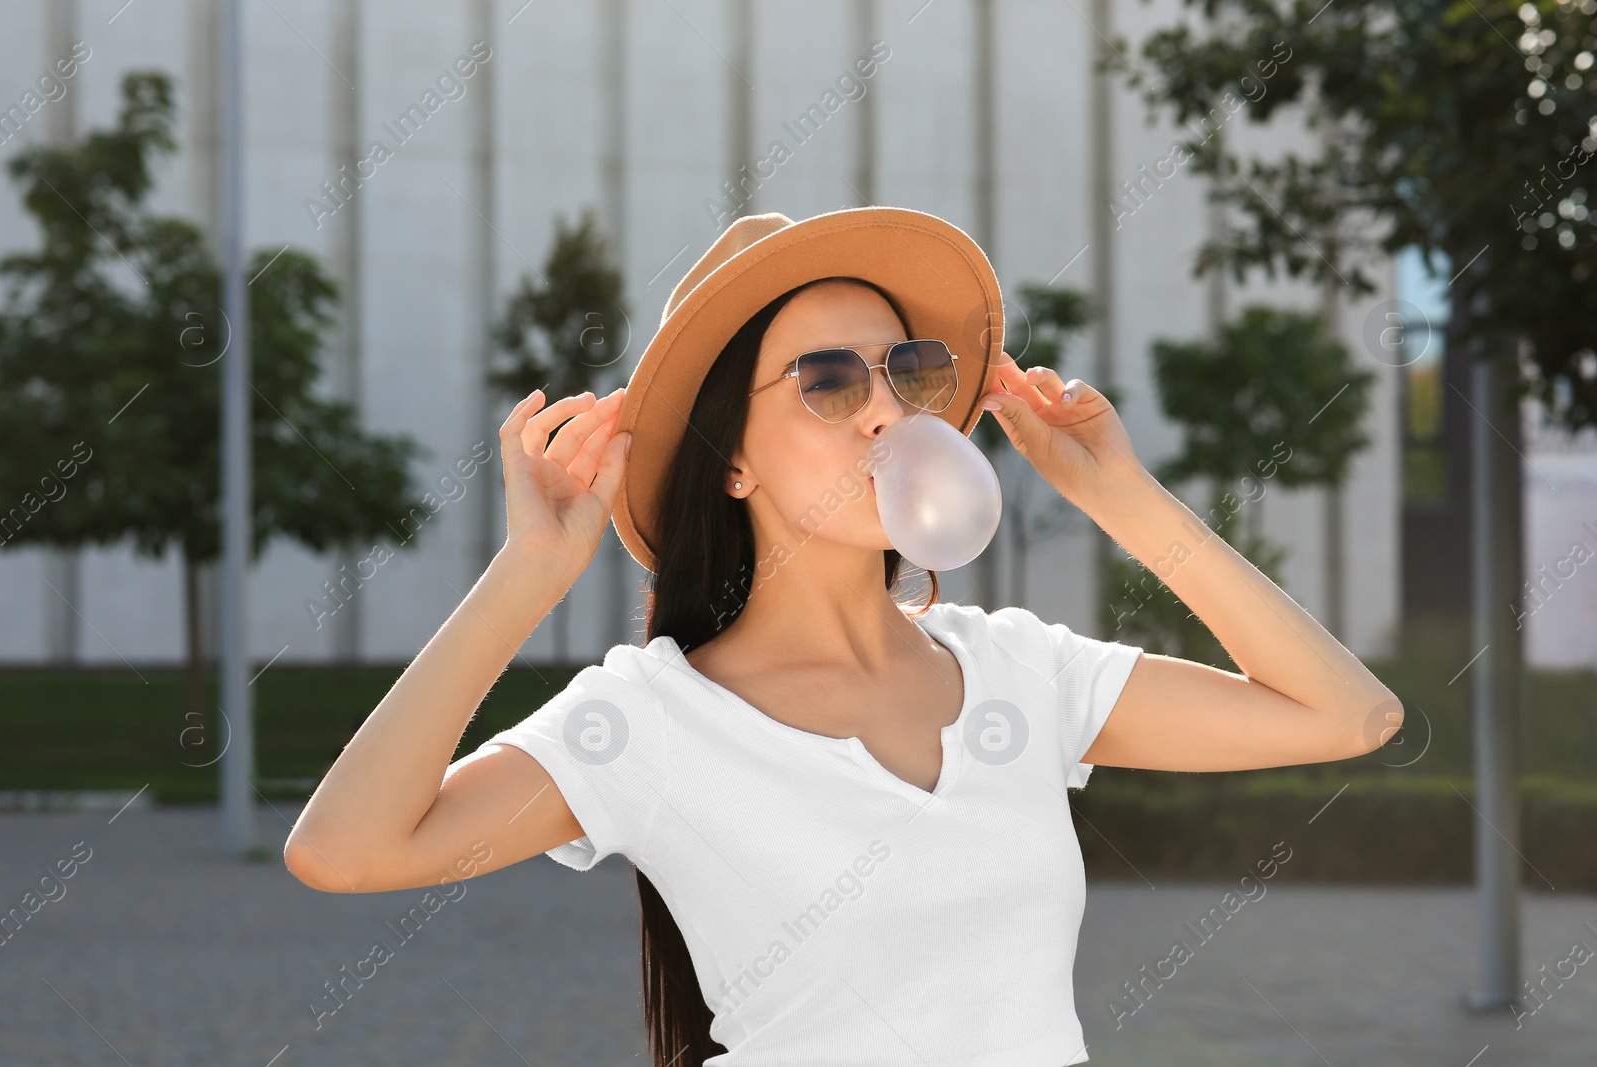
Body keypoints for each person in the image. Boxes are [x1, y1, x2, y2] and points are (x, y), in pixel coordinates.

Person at [284, 206, 1404, 1066]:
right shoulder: (650, 716)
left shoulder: (1019, 670)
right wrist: (527, 572)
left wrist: (1124, 500)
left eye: (907, 371)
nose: (885, 410)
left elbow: (1347, 712)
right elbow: (345, 849)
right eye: (825, 381)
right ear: (732, 460)